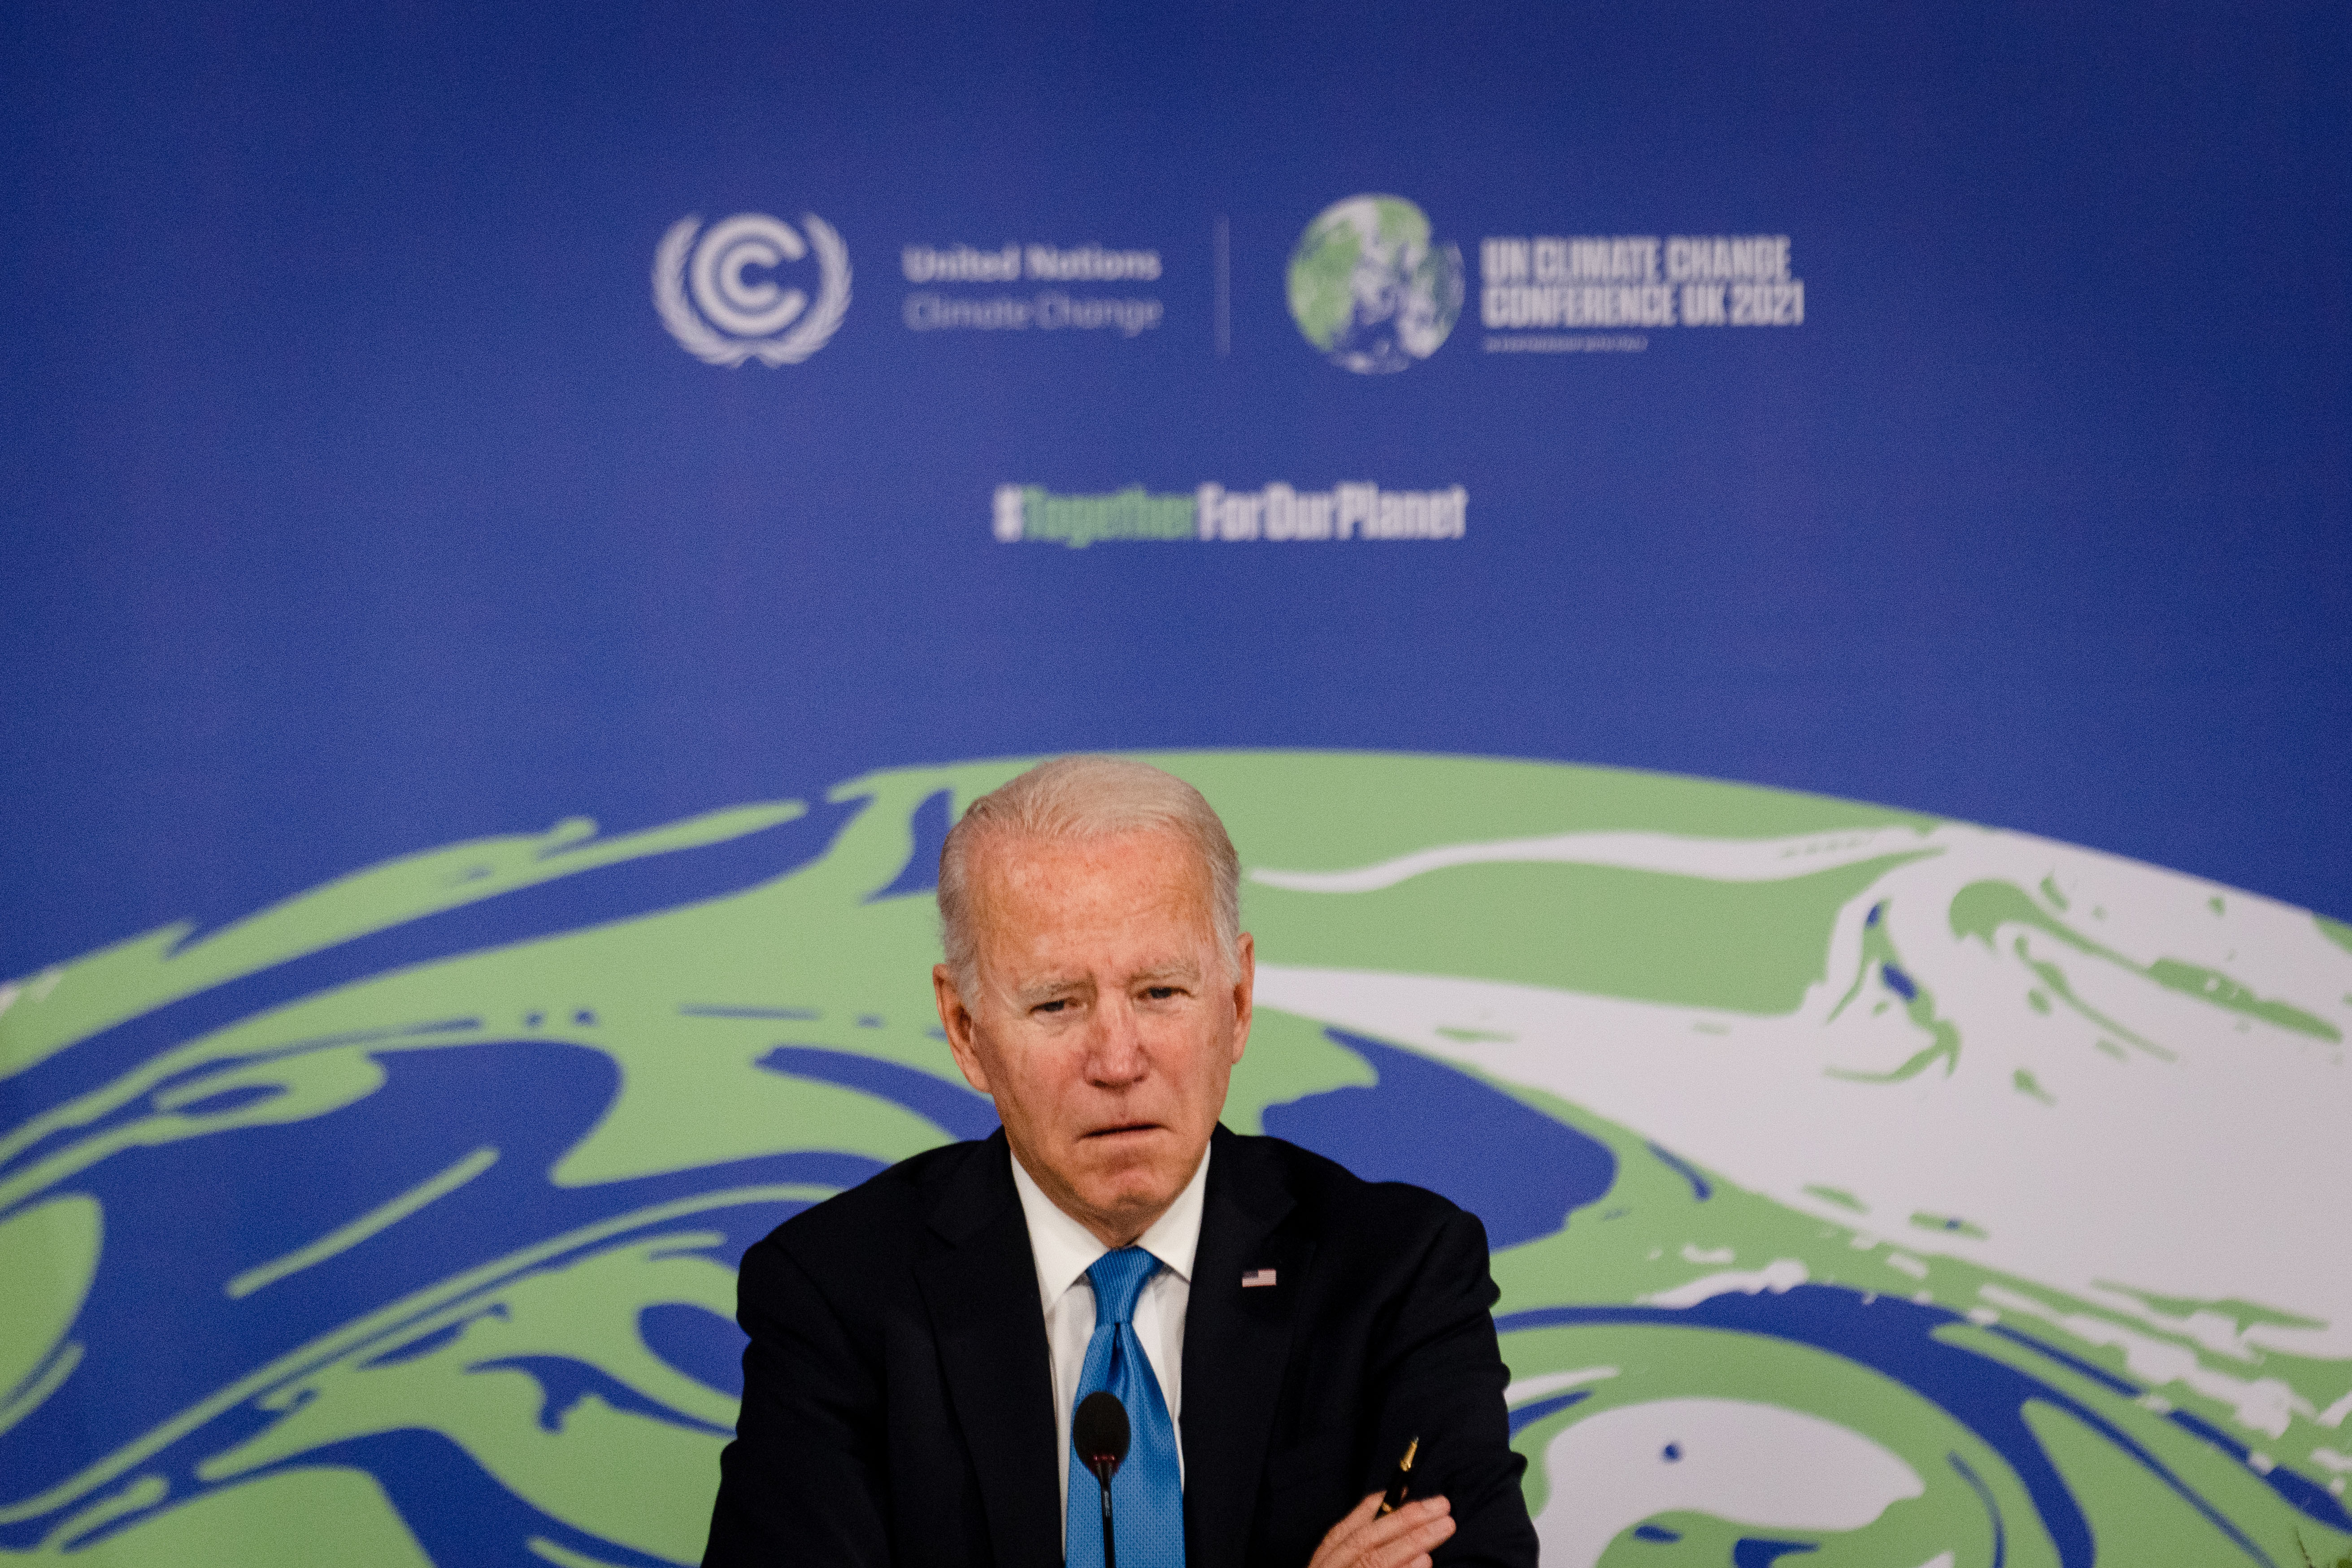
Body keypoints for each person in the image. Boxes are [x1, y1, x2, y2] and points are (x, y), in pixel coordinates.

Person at [702, 757, 1537, 1568]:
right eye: (1057, 1003)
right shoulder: (835, 1296)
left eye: (1160, 993)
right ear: (964, 1029)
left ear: (1237, 1003)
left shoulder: (1398, 1274)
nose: (1116, 1060)